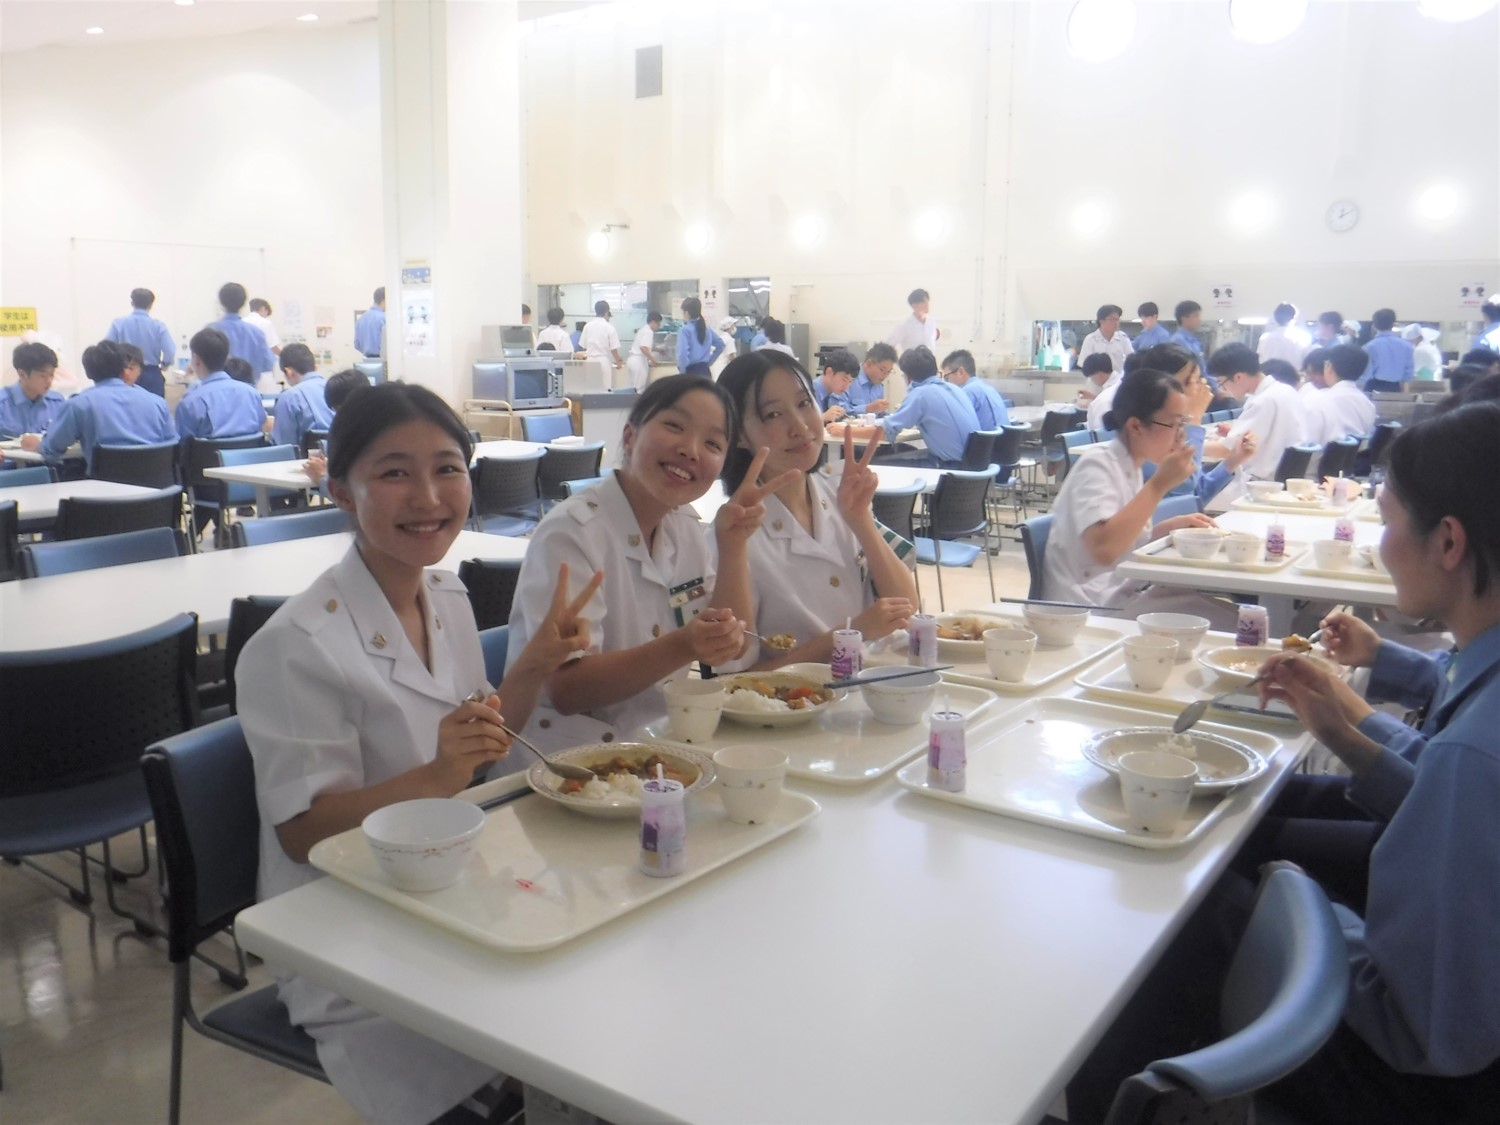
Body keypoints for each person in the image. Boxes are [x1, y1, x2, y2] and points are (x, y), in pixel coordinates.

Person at [238, 381, 602, 1125]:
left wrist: (529, 667)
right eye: (395, 472)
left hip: (456, 877)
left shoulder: (447, 595)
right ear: (341, 490)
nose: (429, 496)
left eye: (447, 467)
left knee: (596, 987)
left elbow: (484, 749)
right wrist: (439, 773)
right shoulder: (296, 646)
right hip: (345, 922)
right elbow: (306, 835)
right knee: (552, 1039)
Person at [1235, 403, 1500, 1122]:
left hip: (1423, 1088)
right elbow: (1441, 788)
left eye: (1386, 521)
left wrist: (1296, 913)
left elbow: (1423, 1027)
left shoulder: (1476, 755)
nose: (1380, 546)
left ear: (1448, 540)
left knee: (1196, 907)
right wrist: (1346, 729)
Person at [505, 374, 789, 749]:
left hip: (657, 745)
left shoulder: (685, 526)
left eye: (712, 443)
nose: (690, 449)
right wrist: (683, 645)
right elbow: (566, 690)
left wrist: (733, 544)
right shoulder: (572, 533)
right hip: (564, 757)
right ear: (629, 436)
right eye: (674, 425)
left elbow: (731, 656)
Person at [715, 352, 917, 669]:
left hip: (871, 692)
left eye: (804, 404)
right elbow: (733, 678)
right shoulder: (732, 536)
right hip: (791, 711)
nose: (798, 426)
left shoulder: (840, 491)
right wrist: (852, 634)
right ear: (738, 433)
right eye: (772, 415)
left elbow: (907, 606)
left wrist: (861, 519)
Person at [1040, 367, 1223, 614]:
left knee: (1227, 616)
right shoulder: (1097, 463)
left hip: (1119, 593)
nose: (1181, 435)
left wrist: (1165, 529)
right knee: (1230, 624)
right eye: (1174, 423)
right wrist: (1159, 485)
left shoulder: (1131, 463)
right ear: (1136, 426)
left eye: (1184, 423)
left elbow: (1125, 540)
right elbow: (1104, 550)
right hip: (1088, 608)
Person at [28, 339, 173, 472]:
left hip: (104, 495)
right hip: (157, 494)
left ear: (88, 373)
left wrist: (37, 445)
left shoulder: (79, 405)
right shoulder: (157, 403)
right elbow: (172, 446)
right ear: (122, 369)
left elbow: (52, 450)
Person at [833, 346, 979, 468]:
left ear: (908, 377)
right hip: (972, 466)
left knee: (871, 465)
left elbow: (885, 433)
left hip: (950, 466)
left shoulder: (920, 394)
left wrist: (845, 431)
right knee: (908, 453)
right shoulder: (955, 389)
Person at [1202, 343, 1308, 505]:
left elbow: (1227, 450)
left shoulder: (1263, 401)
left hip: (1258, 486)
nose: (1222, 389)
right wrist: (1233, 433)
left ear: (1238, 377)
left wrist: (1191, 443)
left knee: (1193, 499)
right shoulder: (1284, 391)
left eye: (1221, 382)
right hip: (1279, 480)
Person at [173, 328, 268, 442]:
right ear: (227, 358)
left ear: (196, 360)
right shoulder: (252, 394)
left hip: (207, 459)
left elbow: (183, 448)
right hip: (251, 459)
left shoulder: (189, 403)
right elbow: (261, 428)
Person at [302, 368, 373, 487]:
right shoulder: (384, 425)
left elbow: (356, 497)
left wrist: (322, 477)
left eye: (338, 409)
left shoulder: (372, 438)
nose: (339, 416)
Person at [105, 287, 175, 398]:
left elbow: (106, 348)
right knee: (154, 408)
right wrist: (164, 365)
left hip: (125, 372)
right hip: (151, 374)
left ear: (132, 302)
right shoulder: (158, 327)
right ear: (151, 305)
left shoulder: (118, 324)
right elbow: (170, 351)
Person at [1302, 343, 1376, 444]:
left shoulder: (1318, 401)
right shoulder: (1368, 405)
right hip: (1356, 458)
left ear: (1329, 367)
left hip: (1323, 458)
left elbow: (1307, 443)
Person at [269, 343, 334, 449]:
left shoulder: (288, 398)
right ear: (315, 366)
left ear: (288, 372)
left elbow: (285, 445)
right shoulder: (335, 386)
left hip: (306, 459)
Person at [1, 341, 67, 440]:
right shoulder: (3, 404)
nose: (49, 381)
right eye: (43, 376)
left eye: (51, 375)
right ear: (22, 374)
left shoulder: (57, 403)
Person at [209, 282, 276, 377]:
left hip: (216, 389)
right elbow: (268, 364)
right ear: (244, 303)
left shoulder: (210, 331)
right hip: (248, 388)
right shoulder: (256, 333)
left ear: (221, 302)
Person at [941, 349, 1010, 429]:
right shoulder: (989, 389)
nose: (946, 383)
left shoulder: (967, 392)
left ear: (960, 372)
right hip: (1003, 440)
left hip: (986, 441)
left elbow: (955, 427)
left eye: (946, 378)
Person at [1363, 308, 1414, 393]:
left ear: (1374, 325)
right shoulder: (1407, 346)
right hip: (1396, 388)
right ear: (1393, 324)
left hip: (1373, 388)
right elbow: (1408, 376)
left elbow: (1366, 374)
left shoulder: (1369, 347)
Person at [839, 343, 899, 414]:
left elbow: (878, 415)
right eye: (882, 370)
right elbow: (837, 411)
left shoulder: (879, 386)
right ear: (869, 364)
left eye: (889, 371)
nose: (885, 375)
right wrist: (867, 408)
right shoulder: (848, 377)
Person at [1077, 304, 1134, 374]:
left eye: (1117, 319)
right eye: (1112, 319)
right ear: (1101, 321)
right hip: (1096, 381)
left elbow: (1132, 359)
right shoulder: (1090, 339)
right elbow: (1083, 363)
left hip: (1117, 380)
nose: (1116, 322)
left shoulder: (1123, 338)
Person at [675, 297, 723, 376]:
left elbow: (682, 354)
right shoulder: (707, 329)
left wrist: (682, 373)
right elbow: (720, 345)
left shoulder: (685, 330)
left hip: (691, 373)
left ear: (686, 313)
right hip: (705, 372)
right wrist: (709, 362)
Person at [579, 300, 624, 384]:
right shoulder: (609, 327)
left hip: (590, 360)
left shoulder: (587, 326)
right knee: (605, 388)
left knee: (590, 387)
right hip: (603, 361)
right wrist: (618, 361)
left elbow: (583, 346)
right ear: (607, 311)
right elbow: (614, 349)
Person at [813, 348, 859, 424]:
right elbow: (798, 424)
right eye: (844, 379)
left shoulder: (834, 392)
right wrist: (823, 417)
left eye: (850, 381)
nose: (847, 387)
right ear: (829, 372)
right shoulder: (808, 391)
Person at [1257, 302, 1311, 367]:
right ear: (1294, 318)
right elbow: (1307, 361)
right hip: (1294, 376)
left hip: (1269, 375)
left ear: (1275, 317)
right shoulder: (1303, 337)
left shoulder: (1264, 338)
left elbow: (1260, 360)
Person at [887, 288, 939, 354]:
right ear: (914, 305)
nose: (927, 304)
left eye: (927, 301)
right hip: (912, 362)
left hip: (930, 362)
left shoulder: (932, 321)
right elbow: (889, 345)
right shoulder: (904, 325)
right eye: (923, 302)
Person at [1168, 299, 1209, 376]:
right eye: (1196, 316)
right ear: (1184, 318)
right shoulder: (1177, 342)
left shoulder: (1195, 341)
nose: (1199, 320)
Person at [1080, 352, 1120, 430]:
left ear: (1099, 373)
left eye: (1091, 377)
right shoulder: (1119, 382)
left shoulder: (1104, 399)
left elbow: (1099, 430)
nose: (1092, 380)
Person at [625, 310, 662, 392]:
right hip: (639, 362)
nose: (658, 326)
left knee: (631, 390)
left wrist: (659, 350)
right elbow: (643, 348)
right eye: (658, 324)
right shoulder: (649, 332)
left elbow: (647, 346)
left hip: (631, 360)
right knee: (639, 389)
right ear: (653, 322)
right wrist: (653, 360)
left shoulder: (643, 330)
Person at [244, 297, 283, 366]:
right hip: (262, 365)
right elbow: (273, 346)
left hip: (244, 364)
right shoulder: (265, 323)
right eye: (266, 314)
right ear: (263, 308)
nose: (265, 317)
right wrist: (284, 356)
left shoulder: (242, 322)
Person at [354, 287, 386, 358]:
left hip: (366, 362)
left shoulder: (361, 319)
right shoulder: (384, 318)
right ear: (384, 301)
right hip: (383, 361)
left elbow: (356, 345)